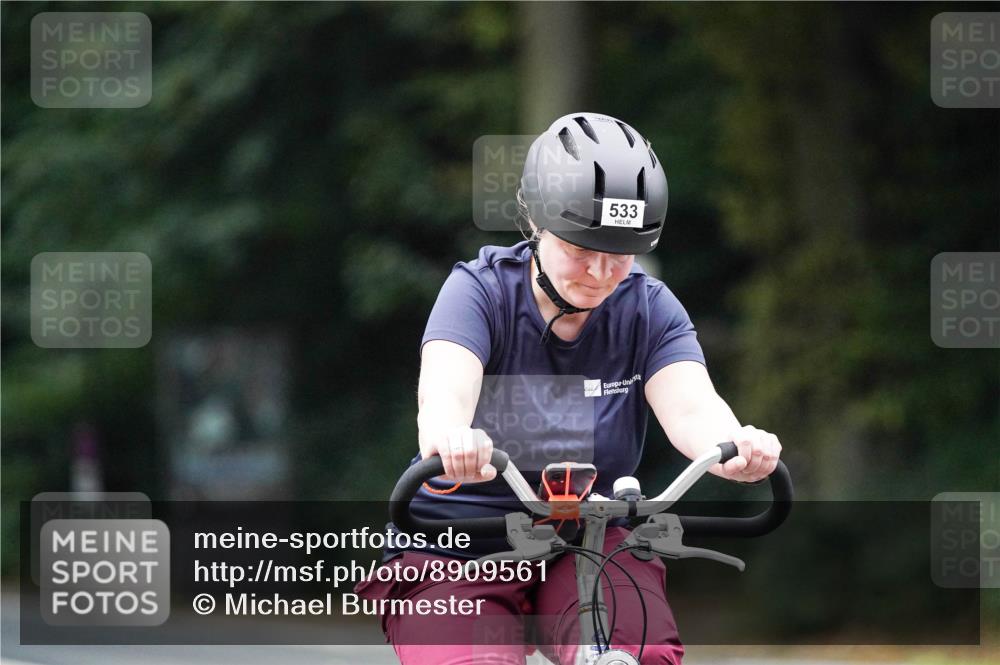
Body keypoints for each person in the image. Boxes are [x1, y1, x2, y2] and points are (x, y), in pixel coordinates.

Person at [355, 112, 783, 665]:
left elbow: (695, 407)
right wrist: (451, 438)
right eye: (582, 250)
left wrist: (734, 446)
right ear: (537, 224)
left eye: (621, 254)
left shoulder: (648, 309)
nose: (602, 273)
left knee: (639, 655)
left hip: (590, 536)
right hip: (458, 545)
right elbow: (443, 397)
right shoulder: (477, 293)